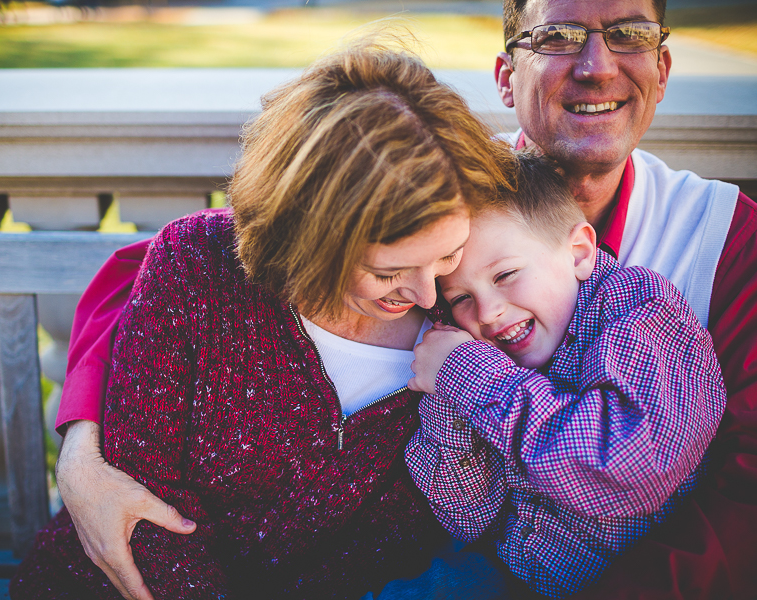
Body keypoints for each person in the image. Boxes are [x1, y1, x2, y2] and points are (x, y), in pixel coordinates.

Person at [55, 0, 757, 597]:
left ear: (663, 69)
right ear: (507, 78)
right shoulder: (442, 186)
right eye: (558, 36)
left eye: (628, 33)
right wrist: (84, 446)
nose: (596, 65)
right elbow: (169, 269)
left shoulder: (723, 237)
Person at [10, 38, 516, 599]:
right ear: (312, 235)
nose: (427, 292)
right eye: (388, 270)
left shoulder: (470, 320)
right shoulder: (197, 266)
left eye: (446, 255)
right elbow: (143, 497)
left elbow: (396, 535)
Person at [404, 153, 726, 598]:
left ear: (578, 253)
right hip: (501, 570)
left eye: (506, 274)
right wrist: (448, 395)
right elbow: (468, 515)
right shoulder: (483, 355)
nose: (487, 312)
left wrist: (468, 374)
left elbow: (625, 467)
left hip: (621, 582)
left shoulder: (637, 310)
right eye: (460, 298)